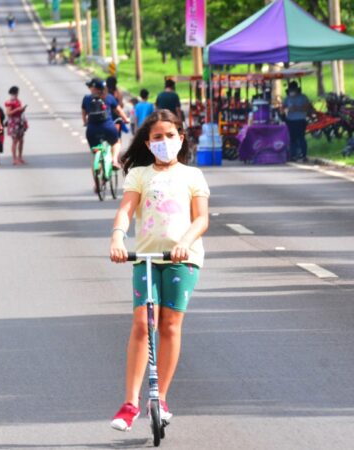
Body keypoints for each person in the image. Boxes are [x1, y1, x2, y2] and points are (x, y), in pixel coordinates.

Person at [107, 109, 210, 432]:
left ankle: (160, 398)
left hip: (183, 259)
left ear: (181, 138)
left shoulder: (193, 175)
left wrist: (185, 242)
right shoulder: (139, 175)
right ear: (148, 143)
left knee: (170, 325)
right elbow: (126, 210)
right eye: (157, 137)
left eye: (170, 135)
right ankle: (130, 403)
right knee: (142, 323)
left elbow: (201, 218)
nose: (164, 141)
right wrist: (117, 238)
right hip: (147, 258)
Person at [82, 77, 130, 189]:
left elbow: (84, 113)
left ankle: (97, 184)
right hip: (108, 127)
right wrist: (126, 119)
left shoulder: (87, 99)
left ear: (93, 88)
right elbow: (119, 110)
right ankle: (114, 160)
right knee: (116, 142)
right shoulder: (109, 97)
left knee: (95, 154)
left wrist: (85, 122)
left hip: (92, 130)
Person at [282, 81, 313, 162]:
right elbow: (283, 107)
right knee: (292, 138)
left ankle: (303, 154)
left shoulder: (303, 97)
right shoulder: (287, 98)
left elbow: (307, 107)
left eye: (293, 90)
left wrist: (297, 108)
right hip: (290, 120)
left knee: (301, 137)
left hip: (300, 120)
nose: (292, 92)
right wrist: (286, 109)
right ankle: (293, 155)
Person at [5, 85, 28, 165]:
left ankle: (20, 157)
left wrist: (22, 110)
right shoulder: (10, 102)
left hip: (19, 121)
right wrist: (17, 109)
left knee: (21, 140)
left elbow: (19, 111)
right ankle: (14, 159)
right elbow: (8, 113)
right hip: (13, 122)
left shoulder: (18, 101)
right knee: (15, 141)